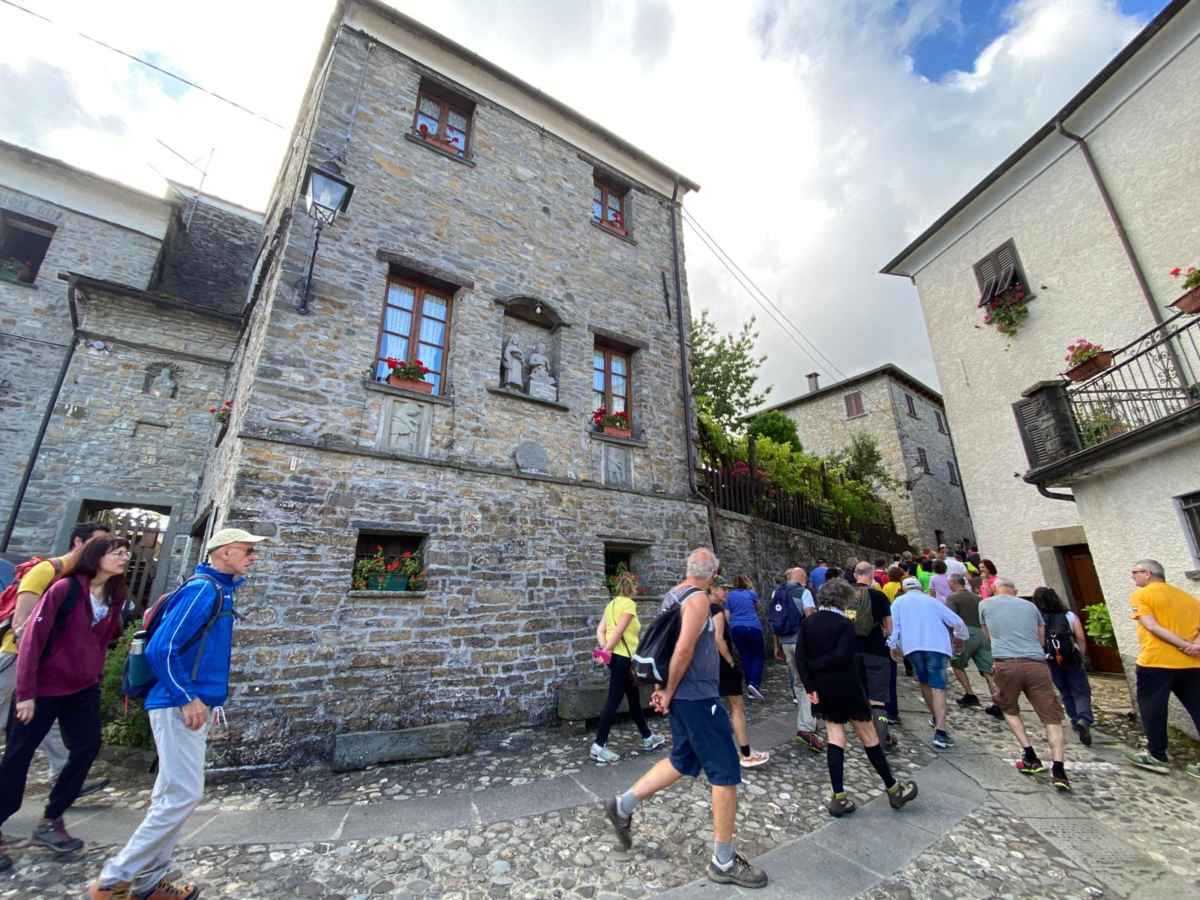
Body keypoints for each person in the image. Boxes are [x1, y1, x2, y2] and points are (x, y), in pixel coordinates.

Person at [87, 527, 267, 900]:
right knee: (181, 796)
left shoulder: (218, 590)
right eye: (248, 550)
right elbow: (162, 649)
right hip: (178, 705)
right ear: (225, 552)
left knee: (171, 795)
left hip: (186, 704)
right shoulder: (203, 590)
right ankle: (113, 881)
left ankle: (149, 884)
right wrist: (187, 697)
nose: (254, 557)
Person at [605, 549, 767, 889]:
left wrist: (664, 689)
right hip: (698, 697)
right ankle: (723, 861)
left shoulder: (672, 595)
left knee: (682, 758)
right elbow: (681, 650)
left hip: (684, 695)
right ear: (713, 573)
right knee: (725, 772)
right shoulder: (696, 601)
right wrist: (668, 690)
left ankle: (622, 805)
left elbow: (664, 647)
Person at [0, 537, 129, 871]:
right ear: (96, 556)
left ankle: (51, 818)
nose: (124, 557)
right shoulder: (65, 589)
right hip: (43, 688)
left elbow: (101, 641)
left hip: (81, 688)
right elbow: (31, 640)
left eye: (126, 552)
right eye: (116, 552)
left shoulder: (114, 597)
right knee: (18, 757)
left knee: (87, 747)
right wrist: (26, 692)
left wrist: (94, 676)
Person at [0, 522, 112, 797]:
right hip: (17, 657)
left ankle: (63, 774)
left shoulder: (85, 579)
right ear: (77, 542)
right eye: (98, 544)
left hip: (50, 665)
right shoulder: (47, 571)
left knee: (40, 720)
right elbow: (22, 624)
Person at [796, 579, 918, 817]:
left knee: (835, 737)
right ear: (843, 599)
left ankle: (839, 796)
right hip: (847, 685)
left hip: (822, 688)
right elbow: (843, 655)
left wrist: (811, 684)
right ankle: (893, 788)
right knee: (869, 736)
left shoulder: (808, 623)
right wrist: (820, 667)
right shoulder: (844, 623)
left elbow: (800, 658)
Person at [980, 577, 1070, 791]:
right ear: (1015, 590)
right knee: (1051, 717)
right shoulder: (1031, 607)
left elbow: (989, 635)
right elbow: (1041, 638)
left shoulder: (985, 604)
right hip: (1036, 664)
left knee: (1009, 708)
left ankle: (1029, 754)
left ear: (994, 589)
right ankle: (1059, 769)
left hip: (1006, 662)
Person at [1122, 560, 1200, 779]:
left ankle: (1157, 756)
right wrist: (1194, 647)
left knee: (1153, 709)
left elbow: (1152, 626)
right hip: (1192, 664)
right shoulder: (1187, 597)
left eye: (1135, 572)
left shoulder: (1142, 595)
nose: (1133, 577)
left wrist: (1183, 645)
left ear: (1147, 573)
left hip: (1156, 662)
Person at [590, 571, 666, 762]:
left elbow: (601, 630)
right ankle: (599, 746)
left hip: (615, 658)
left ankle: (648, 738)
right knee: (613, 701)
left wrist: (604, 649)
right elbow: (618, 631)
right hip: (624, 658)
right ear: (633, 588)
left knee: (633, 700)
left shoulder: (611, 605)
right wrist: (607, 649)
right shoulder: (629, 605)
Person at [888, 576, 967, 750]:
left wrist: (893, 645)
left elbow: (894, 626)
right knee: (938, 686)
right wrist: (960, 638)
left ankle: (935, 715)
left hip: (913, 646)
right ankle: (940, 730)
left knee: (924, 682)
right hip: (937, 646)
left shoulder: (899, 602)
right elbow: (957, 622)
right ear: (920, 587)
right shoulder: (932, 601)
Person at [710, 578, 769, 768]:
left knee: (714, 706)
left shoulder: (701, 608)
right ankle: (746, 753)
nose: (726, 593)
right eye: (723, 589)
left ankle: (718, 750)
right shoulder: (716, 610)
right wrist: (730, 660)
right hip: (722, 663)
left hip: (708, 663)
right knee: (737, 706)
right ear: (713, 588)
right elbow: (718, 638)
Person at [1029, 587, 1094, 746]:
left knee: (1065, 691)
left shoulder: (1037, 619)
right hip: (1071, 658)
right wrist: (1082, 655)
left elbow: (1038, 641)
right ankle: (1083, 719)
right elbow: (1080, 637)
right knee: (1081, 690)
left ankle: (1074, 719)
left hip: (1050, 659)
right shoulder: (1069, 615)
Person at [772, 568, 824, 754]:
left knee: (798, 681)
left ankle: (807, 721)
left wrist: (776, 646)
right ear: (802, 578)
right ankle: (807, 727)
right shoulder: (805, 592)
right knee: (810, 682)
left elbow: (774, 621)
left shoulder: (776, 593)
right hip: (802, 643)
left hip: (785, 643)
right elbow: (810, 619)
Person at [945, 573, 1003, 718]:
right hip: (982, 633)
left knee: (957, 664)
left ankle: (970, 694)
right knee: (988, 670)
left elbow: (952, 619)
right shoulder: (977, 598)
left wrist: (951, 637)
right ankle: (999, 703)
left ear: (953, 583)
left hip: (966, 633)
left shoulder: (952, 598)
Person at [851, 562, 895, 749]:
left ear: (855, 575)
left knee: (859, 694)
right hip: (876, 650)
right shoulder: (879, 596)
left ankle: (866, 737)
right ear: (871, 576)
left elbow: (848, 622)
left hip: (853, 651)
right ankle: (882, 737)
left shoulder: (848, 597)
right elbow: (889, 627)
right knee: (878, 698)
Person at [726, 576, 766, 700]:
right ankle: (754, 684)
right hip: (753, 627)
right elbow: (759, 608)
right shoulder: (751, 593)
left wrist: (729, 630)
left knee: (745, 656)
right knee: (758, 656)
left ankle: (750, 687)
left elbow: (726, 615)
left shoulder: (729, 595)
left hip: (736, 628)